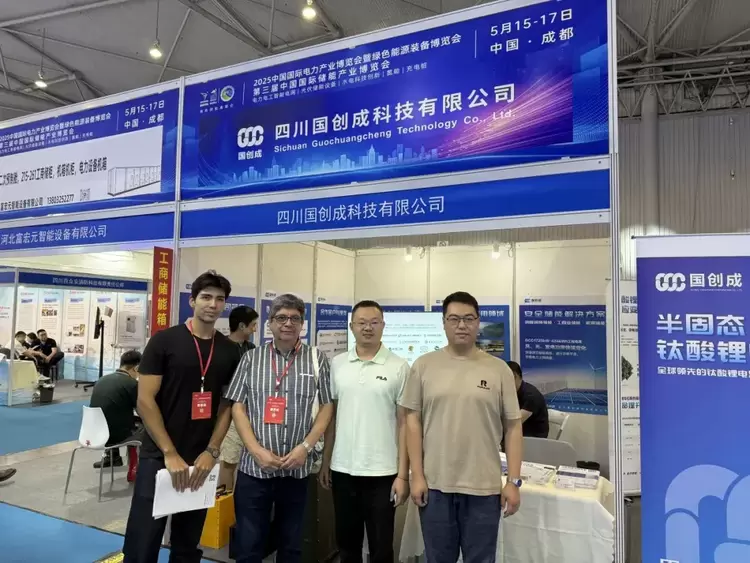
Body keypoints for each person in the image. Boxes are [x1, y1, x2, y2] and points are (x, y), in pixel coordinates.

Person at [122, 271, 241, 563]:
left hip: (200, 459)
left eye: (219, 299)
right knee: (144, 539)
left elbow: (227, 405)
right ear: (192, 301)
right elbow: (145, 400)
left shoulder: (229, 350)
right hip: (159, 455)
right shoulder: (164, 341)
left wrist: (212, 451)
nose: (212, 304)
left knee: (188, 541)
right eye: (206, 297)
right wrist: (169, 452)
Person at [399, 291, 523, 563]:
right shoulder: (423, 366)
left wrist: (514, 482)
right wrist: (416, 475)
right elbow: (412, 421)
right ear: (443, 323)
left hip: (484, 489)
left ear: (478, 323)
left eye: (469, 318)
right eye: (454, 319)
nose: (462, 325)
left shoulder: (499, 370)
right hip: (435, 487)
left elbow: (513, 428)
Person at [226, 293, 334, 563]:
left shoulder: (317, 359)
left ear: (302, 324)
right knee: (248, 545)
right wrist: (256, 450)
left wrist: (305, 447)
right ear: (270, 323)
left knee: (292, 545)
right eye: (281, 318)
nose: (288, 323)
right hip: (254, 469)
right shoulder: (251, 359)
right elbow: (237, 407)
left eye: (295, 318)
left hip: (296, 470)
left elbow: (326, 407)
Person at [319, 300, 409, 563]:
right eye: (361, 323)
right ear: (352, 327)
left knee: (382, 547)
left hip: (383, 472)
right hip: (343, 469)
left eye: (374, 322)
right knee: (347, 546)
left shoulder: (399, 367)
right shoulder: (337, 364)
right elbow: (331, 417)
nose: (368, 328)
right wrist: (326, 461)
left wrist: (402, 474)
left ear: (383, 326)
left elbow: (405, 423)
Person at [220, 305, 259, 490]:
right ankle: (224, 501)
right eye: (253, 325)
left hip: (250, 412)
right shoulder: (221, 348)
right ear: (242, 326)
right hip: (229, 413)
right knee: (229, 461)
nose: (255, 329)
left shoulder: (251, 349)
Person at [89, 350, 142, 480]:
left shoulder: (102, 380)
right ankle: (136, 468)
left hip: (93, 432)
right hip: (115, 436)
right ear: (136, 368)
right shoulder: (131, 384)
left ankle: (113, 457)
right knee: (146, 427)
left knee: (113, 416)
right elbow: (142, 411)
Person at [507, 360, 550, 439]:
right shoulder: (514, 391)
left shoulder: (531, 395)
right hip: (520, 434)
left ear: (515, 376)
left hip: (534, 440)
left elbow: (515, 423)